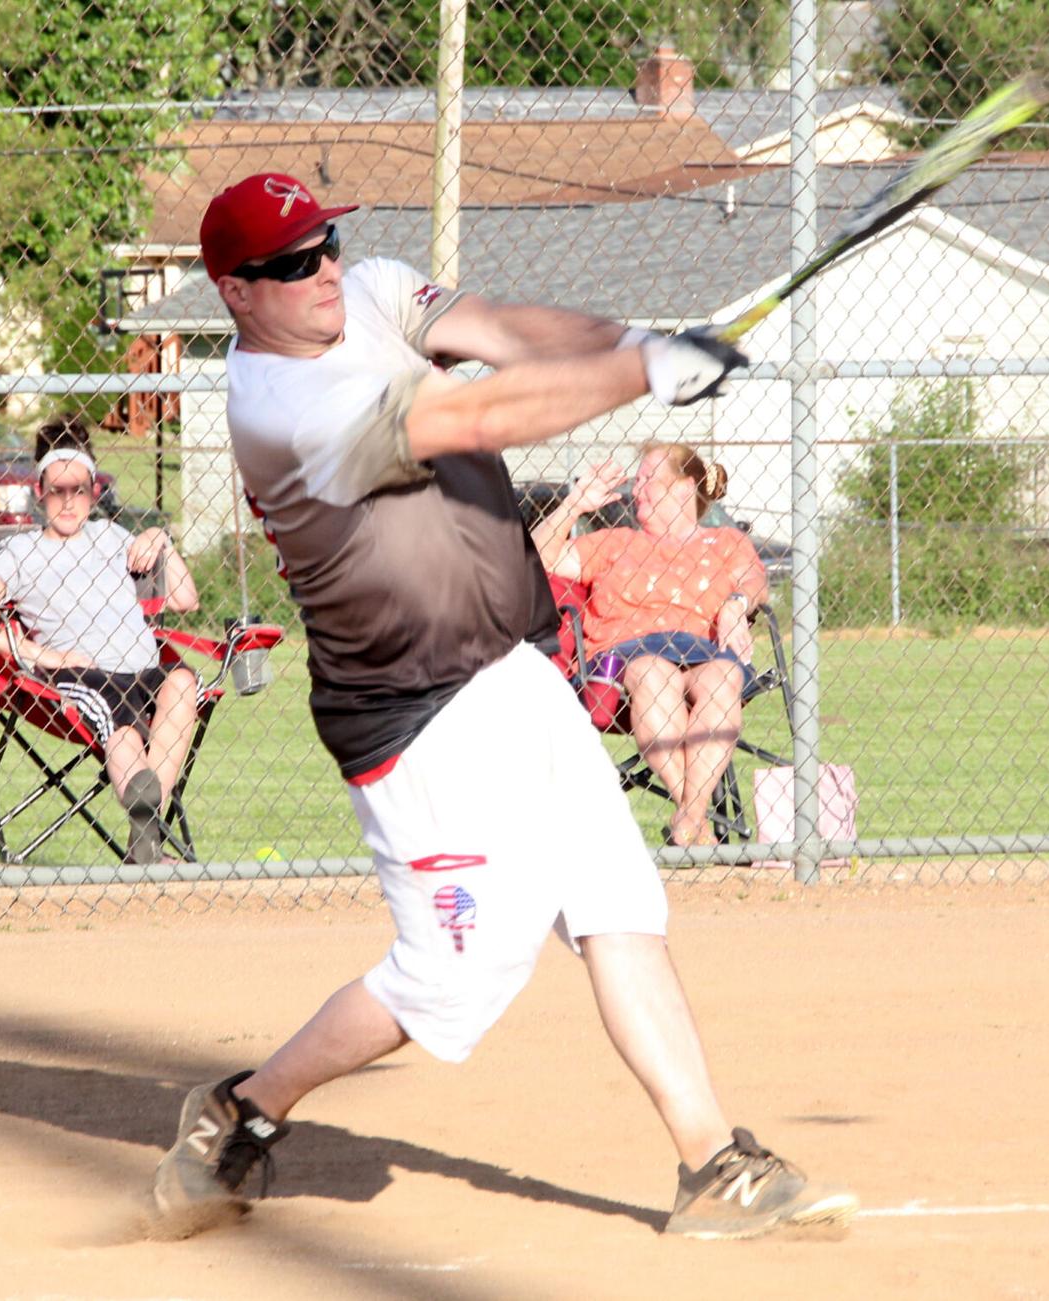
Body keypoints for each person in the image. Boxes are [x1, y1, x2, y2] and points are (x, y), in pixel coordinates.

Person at [150, 171, 856, 1241]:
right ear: (235, 293)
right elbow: (470, 408)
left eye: (327, 242)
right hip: (415, 713)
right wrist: (640, 375)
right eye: (292, 263)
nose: (324, 269)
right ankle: (238, 1112)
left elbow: (502, 328)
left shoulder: (373, 292)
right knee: (450, 979)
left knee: (621, 902)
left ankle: (712, 1161)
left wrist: (631, 341)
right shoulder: (288, 411)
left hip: (515, 670)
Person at [0, 415, 200, 864]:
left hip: (147, 668)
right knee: (123, 730)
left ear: (94, 490)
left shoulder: (113, 536)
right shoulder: (20, 552)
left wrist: (160, 539)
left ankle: (145, 830)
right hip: (81, 676)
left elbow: (186, 599)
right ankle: (147, 834)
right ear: (40, 492)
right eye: (58, 490)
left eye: (80, 489)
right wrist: (37, 654)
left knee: (185, 685)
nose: (69, 501)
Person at [532, 444, 769, 848]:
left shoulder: (726, 541)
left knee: (725, 675)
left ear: (684, 488)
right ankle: (694, 818)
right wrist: (574, 505)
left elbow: (755, 580)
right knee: (651, 671)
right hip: (627, 659)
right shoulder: (614, 543)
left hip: (703, 652)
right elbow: (535, 558)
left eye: (647, 480)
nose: (634, 488)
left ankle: (690, 821)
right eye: (636, 480)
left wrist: (736, 604)